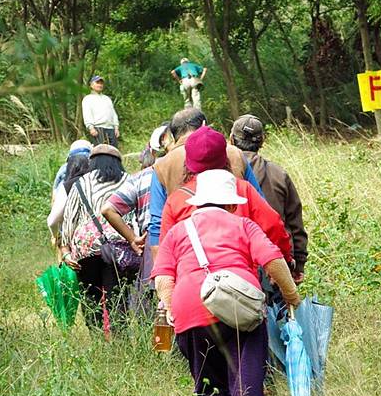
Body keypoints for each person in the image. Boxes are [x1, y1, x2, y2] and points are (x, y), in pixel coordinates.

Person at [151, 169, 301, 396]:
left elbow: (163, 278)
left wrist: (171, 310)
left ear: (197, 203)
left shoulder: (178, 232)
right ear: (231, 204)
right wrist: (291, 295)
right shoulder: (243, 224)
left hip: (189, 310)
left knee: (208, 378)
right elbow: (273, 260)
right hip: (239, 311)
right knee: (245, 379)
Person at [159, 125, 293, 264]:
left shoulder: (175, 200)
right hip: (242, 278)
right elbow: (273, 226)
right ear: (225, 157)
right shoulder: (242, 189)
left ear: (188, 161)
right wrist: (285, 260)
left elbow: (166, 251)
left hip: (191, 278)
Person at [148, 107, 264, 259]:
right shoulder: (234, 153)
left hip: (189, 254)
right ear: (204, 125)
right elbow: (260, 207)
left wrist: (161, 271)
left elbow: (157, 225)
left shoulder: (162, 165)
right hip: (238, 248)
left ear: (173, 135)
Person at [60, 144, 137, 332]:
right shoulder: (129, 180)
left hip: (86, 250)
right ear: (118, 163)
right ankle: (121, 341)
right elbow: (136, 214)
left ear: (92, 162)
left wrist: (66, 249)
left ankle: (96, 338)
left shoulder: (81, 183)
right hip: (119, 249)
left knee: (90, 296)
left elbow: (70, 217)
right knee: (117, 298)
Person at [101, 123, 175, 304]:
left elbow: (108, 209)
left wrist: (133, 239)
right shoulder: (191, 171)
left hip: (153, 244)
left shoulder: (140, 178)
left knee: (154, 305)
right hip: (187, 241)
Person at [230, 114, 308, 284]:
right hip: (276, 261)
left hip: (235, 262)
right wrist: (298, 265)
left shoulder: (221, 175)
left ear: (231, 140)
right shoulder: (279, 174)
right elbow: (295, 223)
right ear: (262, 141)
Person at [82, 75, 120, 147]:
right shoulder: (88, 99)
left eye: (101, 83)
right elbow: (87, 114)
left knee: (113, 152)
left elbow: (113, 114)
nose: (100, 85)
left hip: (111, 129)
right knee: (100, 152)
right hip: (98, 129)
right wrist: (91, 128)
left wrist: (116, 127)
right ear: (91, 85)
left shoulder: (107, 99)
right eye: (97, 83)